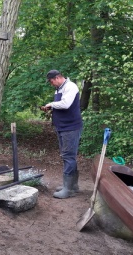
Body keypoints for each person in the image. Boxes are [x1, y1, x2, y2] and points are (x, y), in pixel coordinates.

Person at [40, 70, 83, 199]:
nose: (51, 84)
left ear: (58, 77)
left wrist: (51, 104)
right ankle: (72, 186)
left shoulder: (70, 87)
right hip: (62, 126)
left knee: (68, 156)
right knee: (66, 156)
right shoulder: (59, 89)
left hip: (71, 127)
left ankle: (68, 189)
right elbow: (61, 105)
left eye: (52, 81)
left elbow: (65, 104)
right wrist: (51, 108)